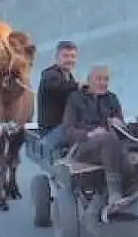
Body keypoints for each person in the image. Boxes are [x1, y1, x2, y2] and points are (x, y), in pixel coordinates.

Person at [63, 63, 126, 206]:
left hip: (109, 149)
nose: (103, 83)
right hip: (84, 147)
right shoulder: (75, 99)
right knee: (108, 139)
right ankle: (114, 193)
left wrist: (119, 124)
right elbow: (68, 130)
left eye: (106, 79)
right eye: (99, 79)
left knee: (122, 152)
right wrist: (90, 134)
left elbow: (122, 128)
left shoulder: (112, 99)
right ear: (89, 80)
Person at [37, 40, 79, 156]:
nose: (70, 59)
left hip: (63, 128)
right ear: (57, 58)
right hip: (51, 132)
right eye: (65, 56)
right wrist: (79, 86)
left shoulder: (69, 78)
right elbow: (57, 87)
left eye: (73, 56)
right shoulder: (50, 75)